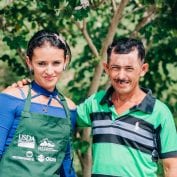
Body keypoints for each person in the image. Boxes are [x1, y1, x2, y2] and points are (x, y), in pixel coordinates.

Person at [12, 38, 177, 177]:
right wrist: (32, 90)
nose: (121, 75)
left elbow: (171, 167)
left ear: (143, 70)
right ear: (106, 69)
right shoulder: (96, 102)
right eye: (115, 68)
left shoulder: (159, 113)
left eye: (129, 69)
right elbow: (61, 114)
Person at [0, 29, 77, 177]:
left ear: (65, 61)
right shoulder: (10, 99)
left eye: (56, 63)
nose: (49, 71)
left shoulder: (69, 108)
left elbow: (66, 162)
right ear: (29, 62)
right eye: (41, 63)